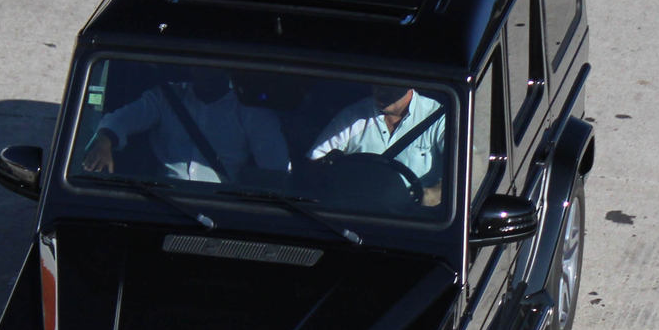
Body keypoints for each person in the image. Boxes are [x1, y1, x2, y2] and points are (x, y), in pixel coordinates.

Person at [78, 65, 289, 182]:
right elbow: (124, 118)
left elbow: (274, 171)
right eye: (201, 65)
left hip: (223, 205)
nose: (206, 71)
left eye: (214, 66)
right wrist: (104, 141)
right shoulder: (167, 97)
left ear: (227, 69)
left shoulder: (252, 112)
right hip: (163, 197)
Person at [308, 87, 446, 205]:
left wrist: (435, 193)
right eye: (378, 82)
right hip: (359, 213)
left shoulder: (437, 117)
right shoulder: (353, 116)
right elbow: (315, 162)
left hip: (416, 220)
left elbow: (464, 173)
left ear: (409, 84)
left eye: (391, 84)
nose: (381, 90)